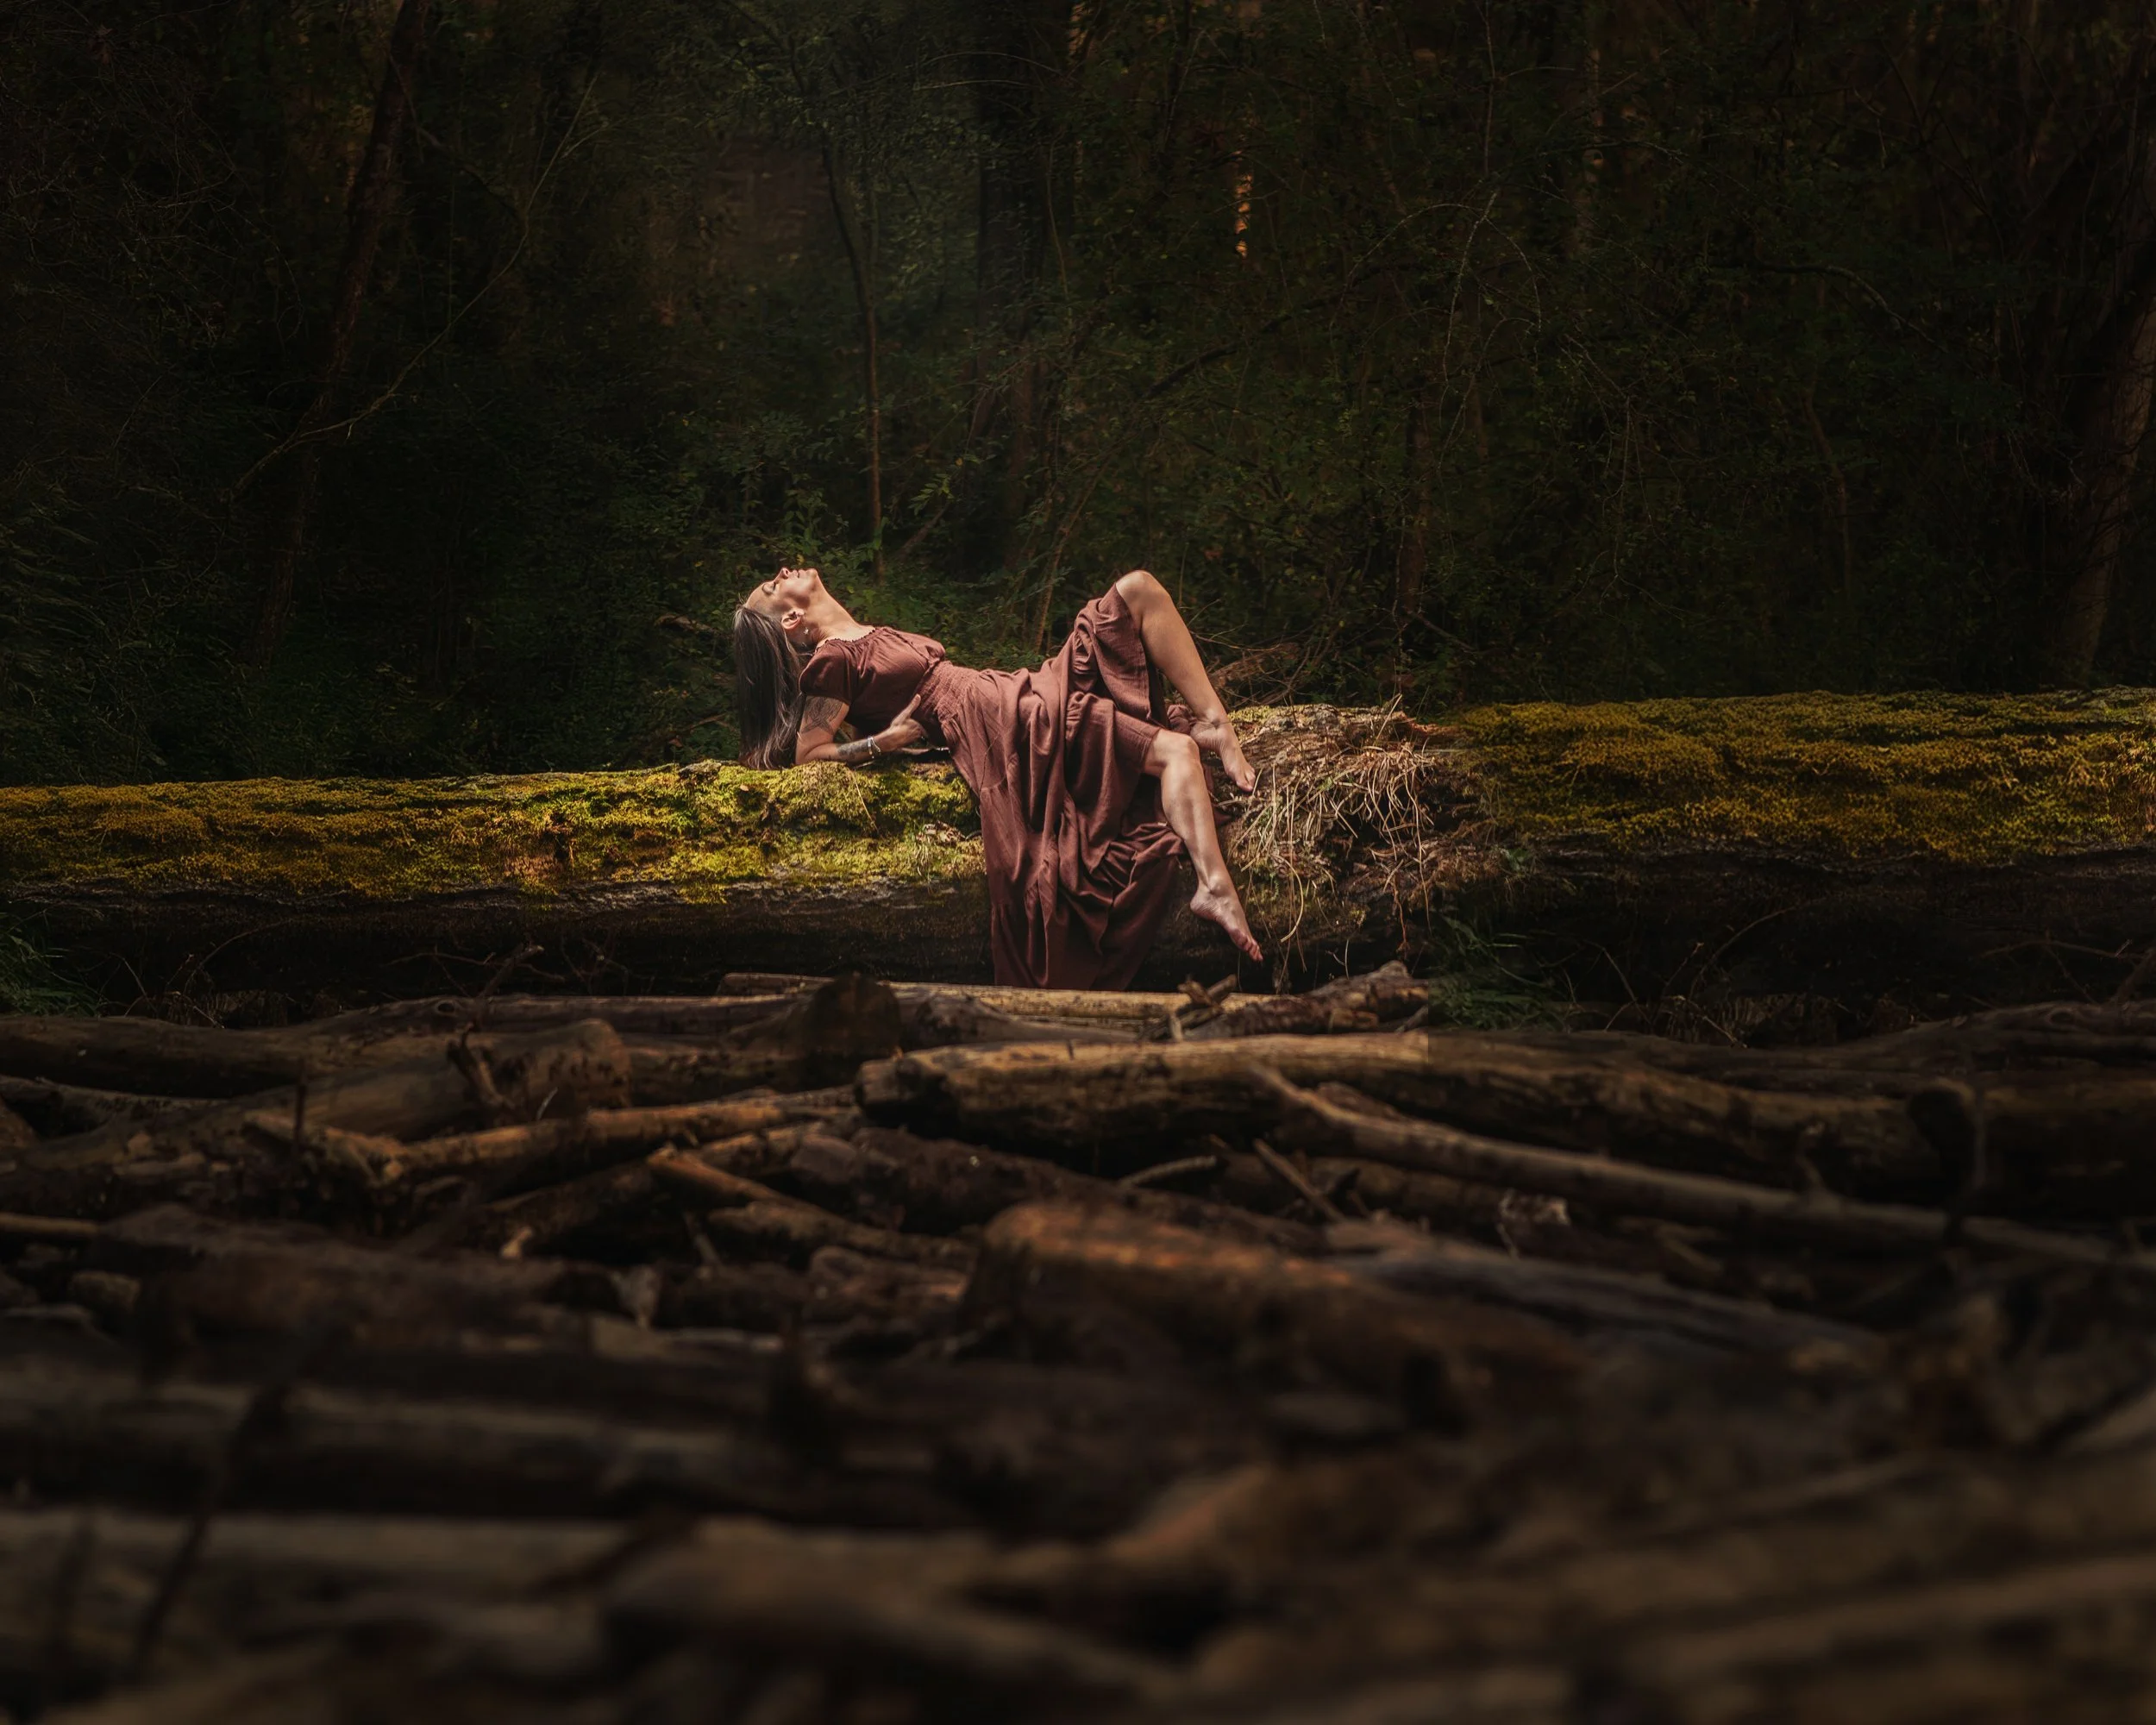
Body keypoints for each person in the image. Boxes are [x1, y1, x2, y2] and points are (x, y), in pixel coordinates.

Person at [732, 566, 1262, 988]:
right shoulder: (831, 659)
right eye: (773, 585)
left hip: (1007, 692)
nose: (782, 571)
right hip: (999, 722)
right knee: (1174, 751)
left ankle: (1218, 722)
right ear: (789, 621)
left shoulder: (860, 636)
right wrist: (880, 744)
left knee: (1139, 590)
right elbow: (808, 754)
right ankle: (1214, 888)